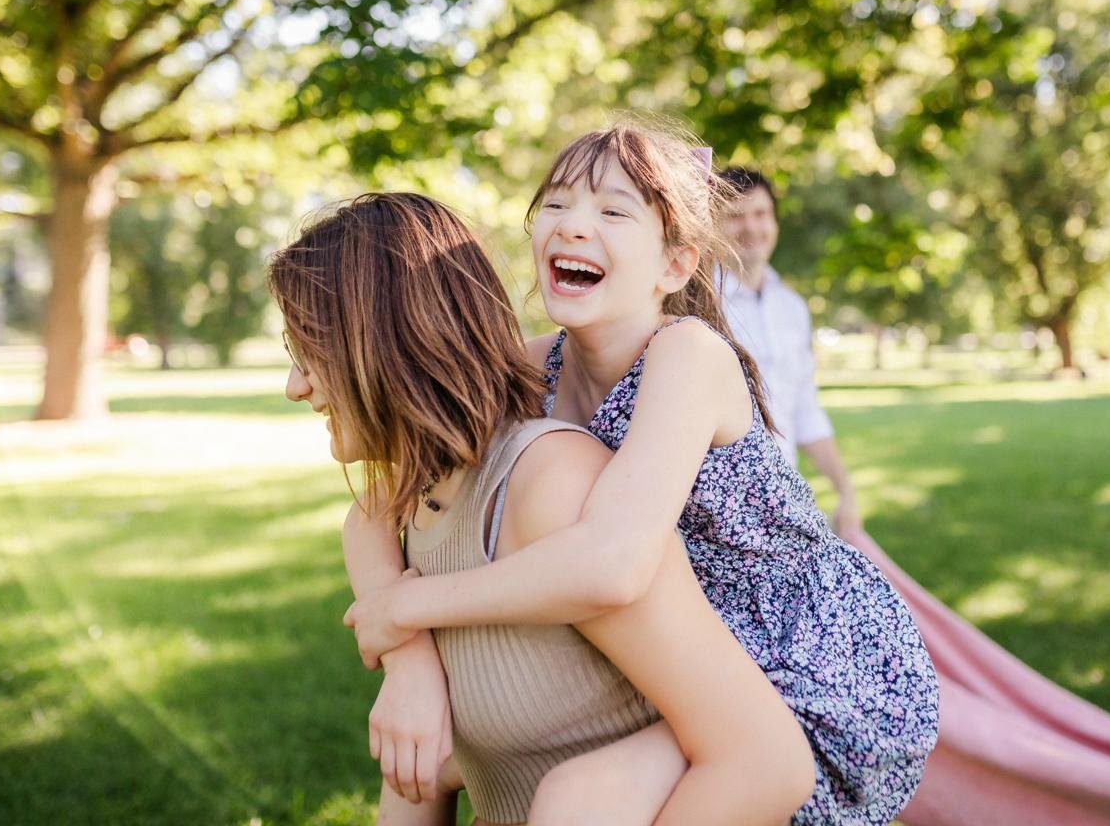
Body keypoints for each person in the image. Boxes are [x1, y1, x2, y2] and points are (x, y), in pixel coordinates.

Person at [343, 121, 940, 825]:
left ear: (675, 266)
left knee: (581, 799)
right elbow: (379, 501)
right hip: (677, 658)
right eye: (556, 204)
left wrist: (407, 607)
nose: (573, 225)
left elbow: (614, 564)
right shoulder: (535, 369)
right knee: (458, 761)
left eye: (613, 211)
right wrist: (409, 659)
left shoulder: (688, 355)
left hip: (807, 663)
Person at [269, 192, 814, 826]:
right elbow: (366, 518)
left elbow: (766, 759)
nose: (295, 386)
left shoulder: (556, 489)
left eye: (311, 352)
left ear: (389, 340)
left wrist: (404, 611)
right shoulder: (412, 508)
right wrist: (408, 660)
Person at [716, 166, 863, 538]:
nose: (751, 227)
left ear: (775, 222)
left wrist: (845, 491)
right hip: (720, 511)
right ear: (712, 225)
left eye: (761, 213)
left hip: (786, 502)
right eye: (735, 216)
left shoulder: (792, 308)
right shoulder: (697, 304)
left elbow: (805, 408)